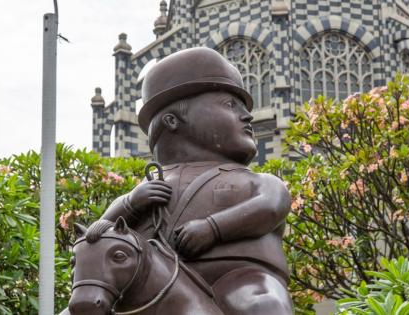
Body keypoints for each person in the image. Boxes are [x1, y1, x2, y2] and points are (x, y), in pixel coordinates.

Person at [95, 47, 292, 314]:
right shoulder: (148, 187)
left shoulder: (258, 181)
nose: (247, 116)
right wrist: (131, 203)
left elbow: (270, 206)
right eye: (230, 105)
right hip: (153, 292)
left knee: (263, 304)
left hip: (238, 279)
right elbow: (99, 234)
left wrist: (213, 228)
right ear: (172, 121)